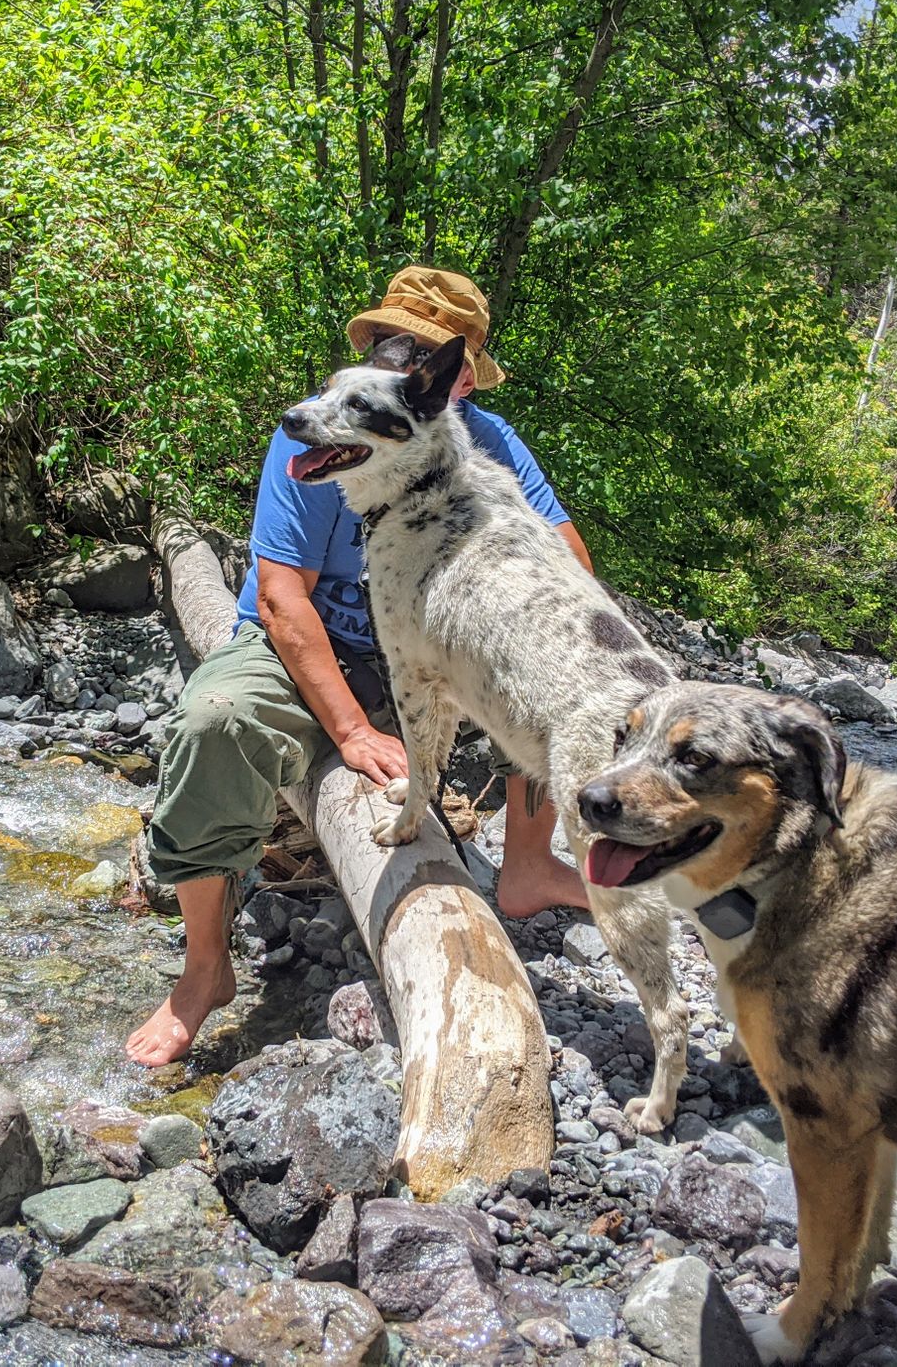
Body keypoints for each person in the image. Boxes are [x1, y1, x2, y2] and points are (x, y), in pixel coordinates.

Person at [125, 265, 595, 1067]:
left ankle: (526, 865)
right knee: (213, 722)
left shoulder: (487, 438)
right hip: (314, 645)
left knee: (562, 661)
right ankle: (205, 968)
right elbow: (281, 600)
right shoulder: (322, 433)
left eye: (415, 353)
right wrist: (347, 729)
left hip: (427, 646)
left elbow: (568, 563)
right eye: (384, 342)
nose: (392, 357)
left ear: (453, 380)